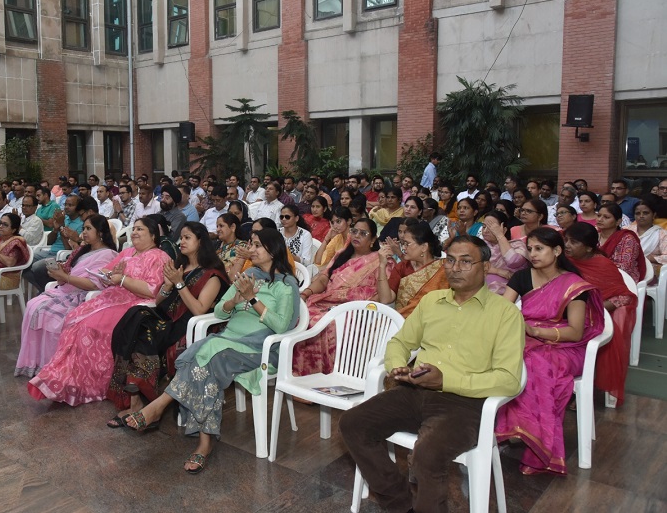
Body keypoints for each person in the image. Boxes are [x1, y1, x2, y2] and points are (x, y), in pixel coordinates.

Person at [340, 236, 524, 513]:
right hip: (415, 391)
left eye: (465, 261)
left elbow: (508, 380)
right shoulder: (432, 302)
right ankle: (400, 504)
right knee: (353, 423)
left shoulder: (505, 314)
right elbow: (399, 343)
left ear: (486, 267)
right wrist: (397, 366)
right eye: (450, 260)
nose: (455, 268)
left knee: (427, 455)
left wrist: (446, 381)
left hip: (465, 404)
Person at [123, 228, 300, 474]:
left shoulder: (286, 285)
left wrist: (252, 299)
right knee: (205, 363)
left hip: (259, 349)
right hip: (227, 340)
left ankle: (160, 406)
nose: (251, 249)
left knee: (207, 355)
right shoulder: (248, 275)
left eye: (257, 245)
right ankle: (204, 443)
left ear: (273, 250)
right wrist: (234, 301)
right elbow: (219, 312)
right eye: (252, 244)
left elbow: (281, 326)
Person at [494, 227, 604, 475]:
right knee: (501, 356)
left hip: (565, 347)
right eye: (530, 249)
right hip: (527, 340)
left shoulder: (573, 284)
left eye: (539, 248)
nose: (532, 254)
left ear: (556, 251)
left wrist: (536, 331)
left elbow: (575, 332)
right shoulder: (522, 277)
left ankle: (539, 446)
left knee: (535, 364)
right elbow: (502, 311)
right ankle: (509, 427)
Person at [27, 217, 172, 405]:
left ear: (153, 235)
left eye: (140, 229)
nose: (134, 232)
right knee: (73, 319)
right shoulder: (128, 252)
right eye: (134, 228)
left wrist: (122, 279)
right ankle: (65, 377)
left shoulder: (159, 257)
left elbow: (152, 290)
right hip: (111, 297)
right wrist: (110, 276)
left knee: (89, 327)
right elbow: (104, 274)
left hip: (134, 304)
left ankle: (90, 384)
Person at [106, 222, 230, 420]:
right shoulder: (180, 267)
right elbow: (158, 301)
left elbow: (199, 309)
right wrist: (168, 285)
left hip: (188, 324)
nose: (182, 242)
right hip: (168, 317)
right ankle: (137, 395)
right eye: (181, 238)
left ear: (201, 242)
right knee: (135, 317)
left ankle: (141, 399)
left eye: (187, 238)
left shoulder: (212, 274)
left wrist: (179, 283)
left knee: (143, 332)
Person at [15, 214, 118, 377]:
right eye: (84, 228)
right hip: (66, 291)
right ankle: (38, 362)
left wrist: (65, 277)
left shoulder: (108, 254)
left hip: (85, 296)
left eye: (88, 228)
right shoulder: (84, 250)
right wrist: (61, 275)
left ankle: (56, 367)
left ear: (100, 232)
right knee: (33, 305)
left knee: (51, 316)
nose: (84, 232)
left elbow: (94, 284)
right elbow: (72, 275)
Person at [294, 218, 391, 375]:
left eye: (363, 233)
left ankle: (323, 374)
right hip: (325, 302)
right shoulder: (341, 255)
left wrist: (382, 264)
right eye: (354, 231)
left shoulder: (379, 261)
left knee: (320, 324)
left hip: (354, 312)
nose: (356, 235)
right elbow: (324, 279)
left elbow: (382, 296)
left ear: (373, 239)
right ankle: (297, 373)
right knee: (300, 316)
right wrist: (306, 293)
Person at [564, 223, 637, 407]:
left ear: (589, 248)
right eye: (566, 240)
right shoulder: (564, 261)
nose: (567, 245)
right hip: (565, 311)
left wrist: (591, 310)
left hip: (596, 314)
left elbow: (624, 297)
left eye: (573, 242)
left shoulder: (602, 265)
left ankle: (577, 390)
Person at [481, 210, 529, 295]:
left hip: (510, 294)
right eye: (484, 227)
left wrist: (499, 235)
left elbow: (513, 261)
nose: (485, 231)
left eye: (491, 227)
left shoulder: (517, 245)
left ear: (504, 229)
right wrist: (497, 271)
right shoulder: (479, 245)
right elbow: (469, 265)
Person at [597, 202, 645, 282]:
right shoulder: (594, 235)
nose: (600, 219)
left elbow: (624, 267)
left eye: (606, 217)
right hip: (595, 275)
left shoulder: (627, 239)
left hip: (623, 279)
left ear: (618, 222)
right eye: (599, 215)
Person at [629, 197, 667, 276]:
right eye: (638, 213)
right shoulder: (626, 231)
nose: (641, 216)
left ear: (654, 215)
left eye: (645, 213)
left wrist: (650, 258)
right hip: (626, 270)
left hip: (650, 273)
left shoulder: (661, 234)